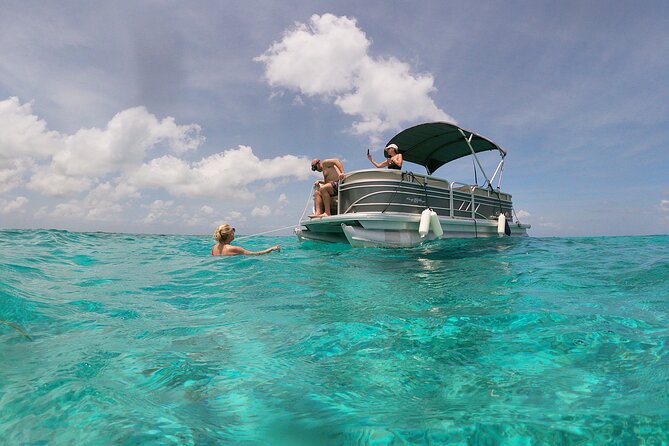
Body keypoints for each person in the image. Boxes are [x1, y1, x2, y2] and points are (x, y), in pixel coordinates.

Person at [211, 224, 280, 256]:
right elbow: (255, 254)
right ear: (230, 234)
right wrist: (271, 249)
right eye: (233, 230)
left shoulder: (214, 248)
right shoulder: (234, 248)